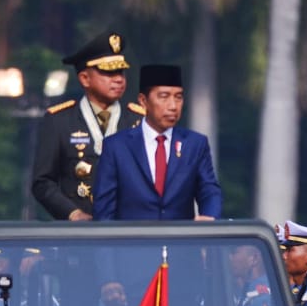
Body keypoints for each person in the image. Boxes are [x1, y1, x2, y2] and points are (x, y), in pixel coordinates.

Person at [33, 32, 144, 221]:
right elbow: (42, 182)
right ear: (85, 78)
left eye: (121, 72)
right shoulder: (59, 120)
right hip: (78, 237)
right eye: (109, 72)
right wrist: (73, 214)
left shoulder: (140, 120)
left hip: (130, 232)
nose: (118, 79)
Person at [91, 64, 222, 221]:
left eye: (178, 97)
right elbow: (104, 210)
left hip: (179, 243)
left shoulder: (195, 144)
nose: (173, 106)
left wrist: (209, 216)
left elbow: (209, 190)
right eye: (164, 97)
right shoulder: (116, 147)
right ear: (143, 101)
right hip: (131, 243)